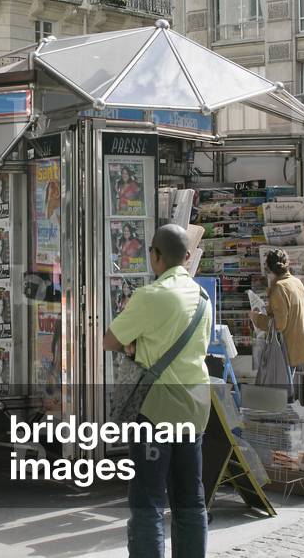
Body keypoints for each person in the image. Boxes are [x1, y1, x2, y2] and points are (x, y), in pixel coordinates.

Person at [103, 224, 211, 558]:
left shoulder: (151, 296)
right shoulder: (204, 298)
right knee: (190, 497)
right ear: (188, 257)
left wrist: (134, 346)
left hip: (156, 408)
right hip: (195, 406)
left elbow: (111, 340)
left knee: (148, 498)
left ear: (155, 256)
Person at [251, 248, 304, 374]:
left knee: (281, 389)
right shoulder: (296, 282)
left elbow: (280, 324)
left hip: (285, 348)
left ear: (269, 268)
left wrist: (256, 318)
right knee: (286, 387)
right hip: (298, 345)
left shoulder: (279, 288)